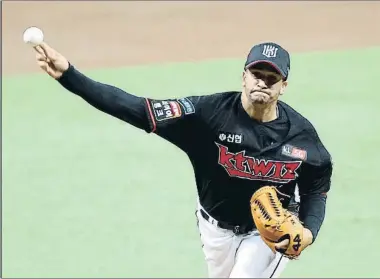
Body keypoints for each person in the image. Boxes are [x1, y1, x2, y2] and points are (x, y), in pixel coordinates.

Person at [32, 41, 333, 278]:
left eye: (272, 78)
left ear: (283, 86)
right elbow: (137, 109)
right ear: (244, 76)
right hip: (215, 229)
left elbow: (315, 189)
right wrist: (70, 76)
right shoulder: (206, 116)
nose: (263, 83)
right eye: (257, 74)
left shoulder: (302, 137)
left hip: (266, 233)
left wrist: (307, 233)